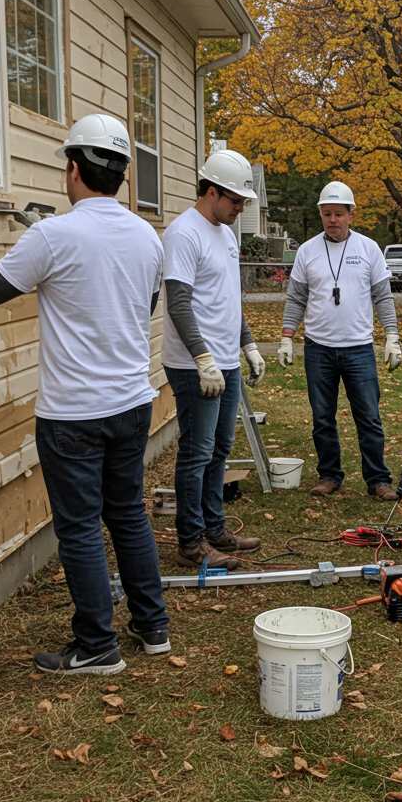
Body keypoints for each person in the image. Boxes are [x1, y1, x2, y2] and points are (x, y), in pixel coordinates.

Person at [0, 113, 170, 674]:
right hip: (132, 402)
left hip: (73, 414)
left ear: (72, 169)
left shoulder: (53, 236)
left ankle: (97, 646)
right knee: (127, 515)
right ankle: (152, 626)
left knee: (78, 527)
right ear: (120, 174)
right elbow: (134, 306)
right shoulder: (147, 235)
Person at [162, 149, 268, 571]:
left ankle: (214, 527)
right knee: (197, 452)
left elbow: (228, 300)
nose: (241, 208)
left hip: (224, 361)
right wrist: (202, 357)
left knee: (220, 447)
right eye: (236, 201)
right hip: (194, 366)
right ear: (211, 191)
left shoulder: (225, 234)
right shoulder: (183, 234)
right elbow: (179, 303)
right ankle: (191, 542)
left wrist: (248, 345)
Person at [278, 181, 401, 500]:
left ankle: (378, 480)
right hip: (318, 350)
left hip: (359, 349)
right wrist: (287, 338)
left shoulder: (368, 248)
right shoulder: (307, 251)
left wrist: (392, 337)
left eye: (339, 214)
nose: (332, 219)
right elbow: (296, 298)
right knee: (322, 418)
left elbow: (383, 297)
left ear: (351, 215)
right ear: (320, 214)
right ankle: (329, 475)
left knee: (369, 417)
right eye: (327, 213)